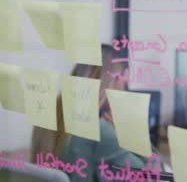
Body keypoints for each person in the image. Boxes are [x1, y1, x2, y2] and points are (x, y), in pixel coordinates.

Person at [30, 45, 162, 182]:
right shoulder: (100, 132)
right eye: (124, 84)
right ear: (112, 82)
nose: (125, 92)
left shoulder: (47, 119)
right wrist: (134, 137)